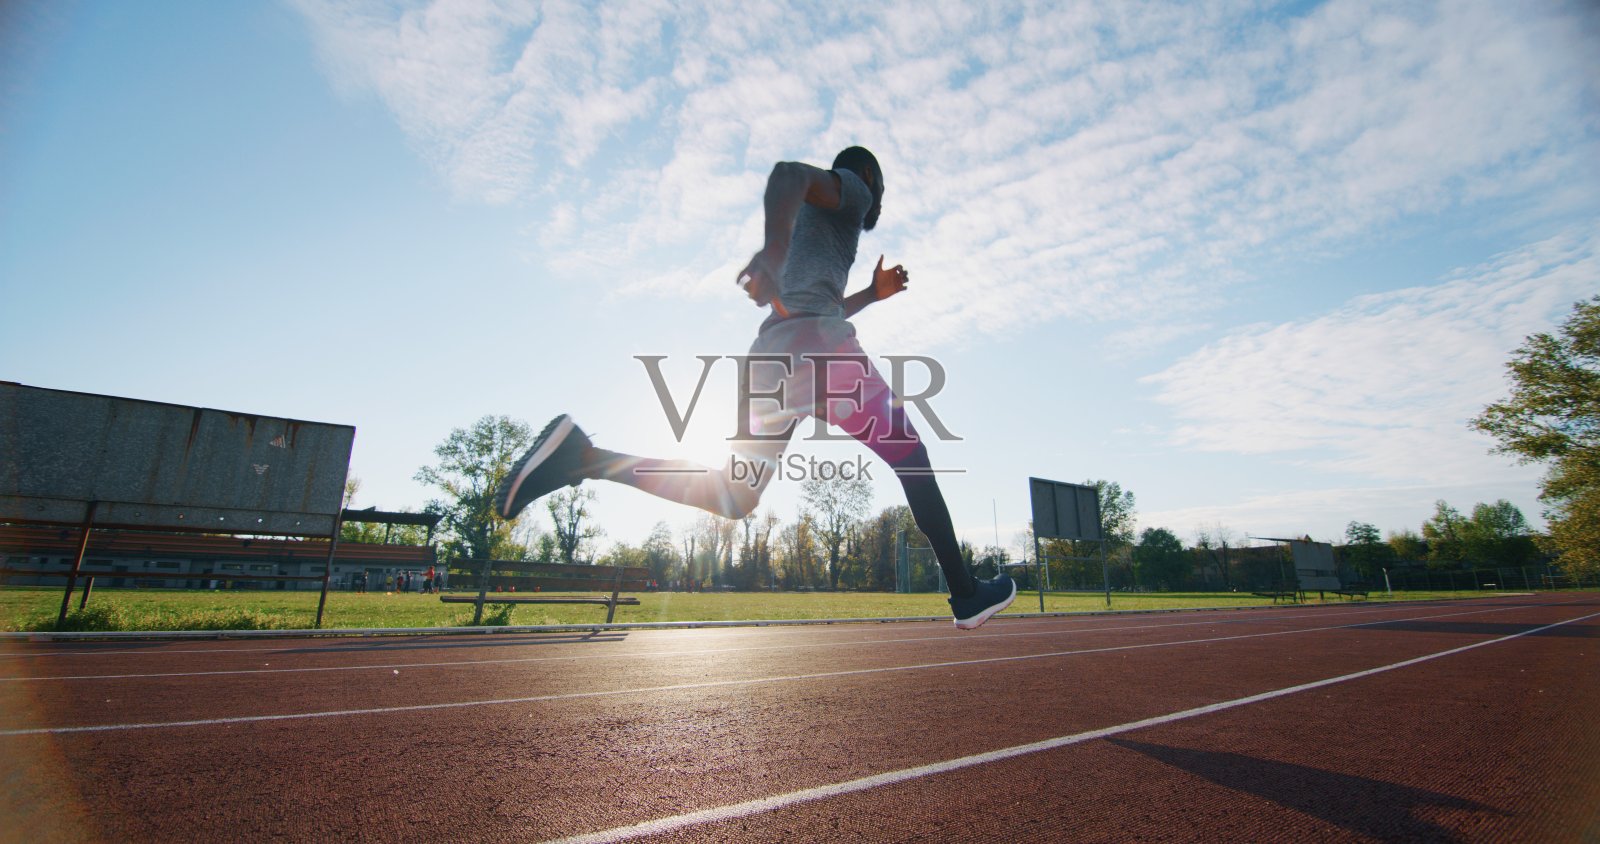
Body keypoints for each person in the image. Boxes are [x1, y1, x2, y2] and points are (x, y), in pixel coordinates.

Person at [494, 146, 1015, 629]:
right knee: (912, 459)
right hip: (823, 354)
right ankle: (966, 592)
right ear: (868, 177)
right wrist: (771, 251)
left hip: (773, 356)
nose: (877, 198)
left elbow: (821, 303)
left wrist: (870, 296)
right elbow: (788, 173)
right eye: (880, 187)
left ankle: (584, 459)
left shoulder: (815, 224)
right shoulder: (854, 188)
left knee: (734, 494)